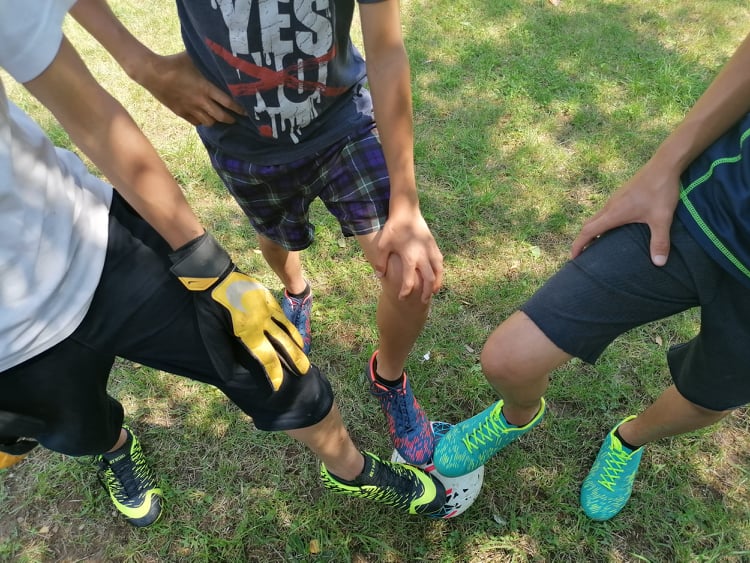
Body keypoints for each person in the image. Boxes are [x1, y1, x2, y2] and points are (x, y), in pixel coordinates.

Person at [0, 0, 447, 528]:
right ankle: (119, 445)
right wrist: (141, 63)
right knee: (80, 431)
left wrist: (406, 205)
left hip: (107, 238)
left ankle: (369, 423)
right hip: (240, 148)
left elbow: (388, 48)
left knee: (315, 336)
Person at [432, 31, 750, 521]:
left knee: (707, 400)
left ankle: (628, 440)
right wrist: (663, 166)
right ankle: (517, 415)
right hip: (710, 208)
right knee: (510, 359)